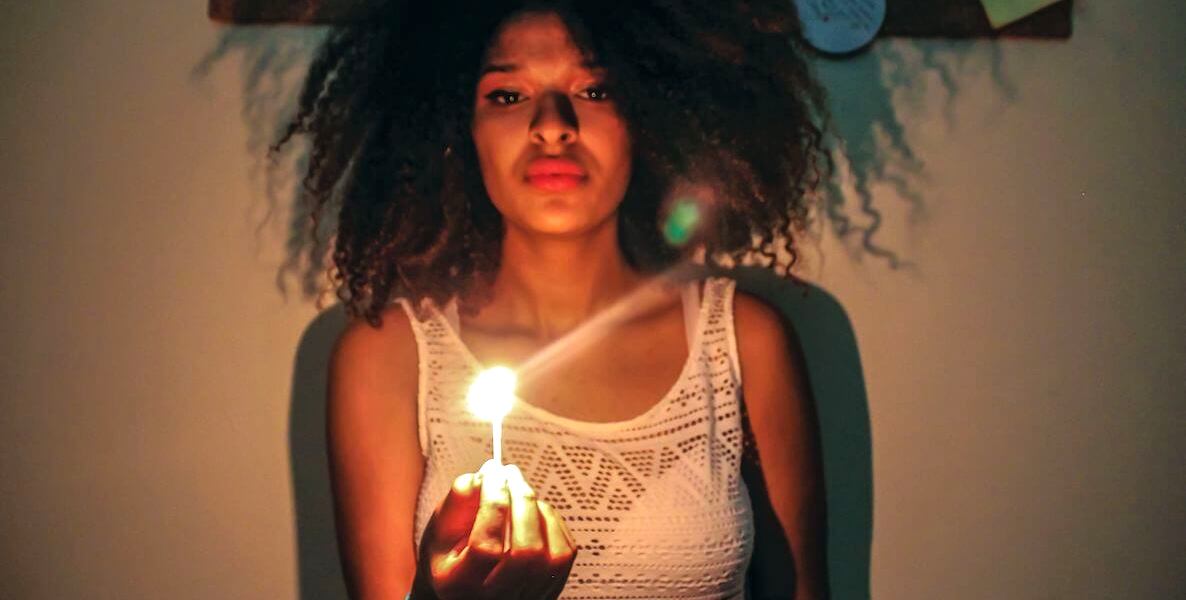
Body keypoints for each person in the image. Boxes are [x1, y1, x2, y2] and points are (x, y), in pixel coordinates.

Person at [276, 1, 832, 598]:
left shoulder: (743, 341)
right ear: (457, 127)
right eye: (508, 96)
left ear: (651, 113)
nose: (552, 125)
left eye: (594, 90)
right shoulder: (387, 355)